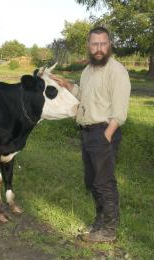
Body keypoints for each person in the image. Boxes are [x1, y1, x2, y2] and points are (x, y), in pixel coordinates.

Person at [52, 26, 131, 243]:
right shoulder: (88, 71)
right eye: (94, 44)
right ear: (88, 46)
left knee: (104, 182)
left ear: (110, 45)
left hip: (103, 133)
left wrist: (107, 135)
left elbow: (120, 111)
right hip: (86, 133)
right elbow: (84, 96)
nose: (99, 48)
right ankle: (100, 223)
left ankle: (109, 230)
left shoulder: (117, 71)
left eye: (103, 43)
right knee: (92, 181)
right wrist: (68, 85)